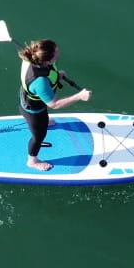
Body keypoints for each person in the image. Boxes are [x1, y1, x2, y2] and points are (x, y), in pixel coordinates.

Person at [18, 39, 92, 171]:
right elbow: (55, 104)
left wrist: (56, 75)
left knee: (44, 120)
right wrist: (79, 96)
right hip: (33, 110)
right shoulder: (39, 82)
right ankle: (32, 161)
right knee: (39, 136)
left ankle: (43, 122)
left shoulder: (32, 57)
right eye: (56, 52)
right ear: (48, 61)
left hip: (34, 99)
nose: (58, 51)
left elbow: (44, 72)